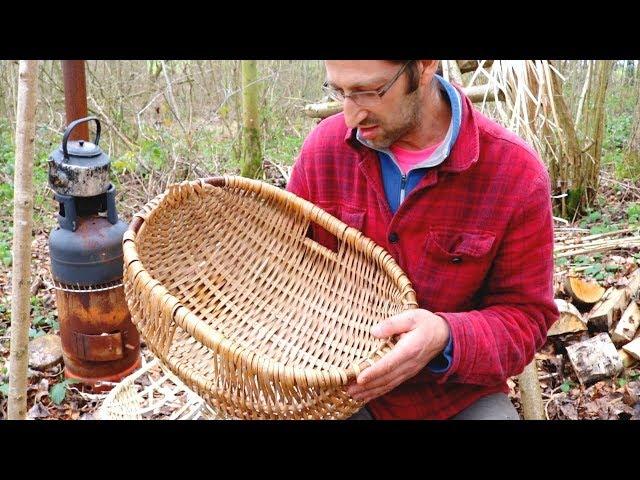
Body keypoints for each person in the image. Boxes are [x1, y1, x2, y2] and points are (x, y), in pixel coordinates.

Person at [286, 60, 559, 420]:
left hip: (450, 394)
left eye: (369, 91)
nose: (351, 115)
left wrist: (444, 336)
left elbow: (525, 321)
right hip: (340, 385)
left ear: (426, 66)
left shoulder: (515, 174)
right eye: (340, 92)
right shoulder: (323, 150)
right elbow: (288, 264)